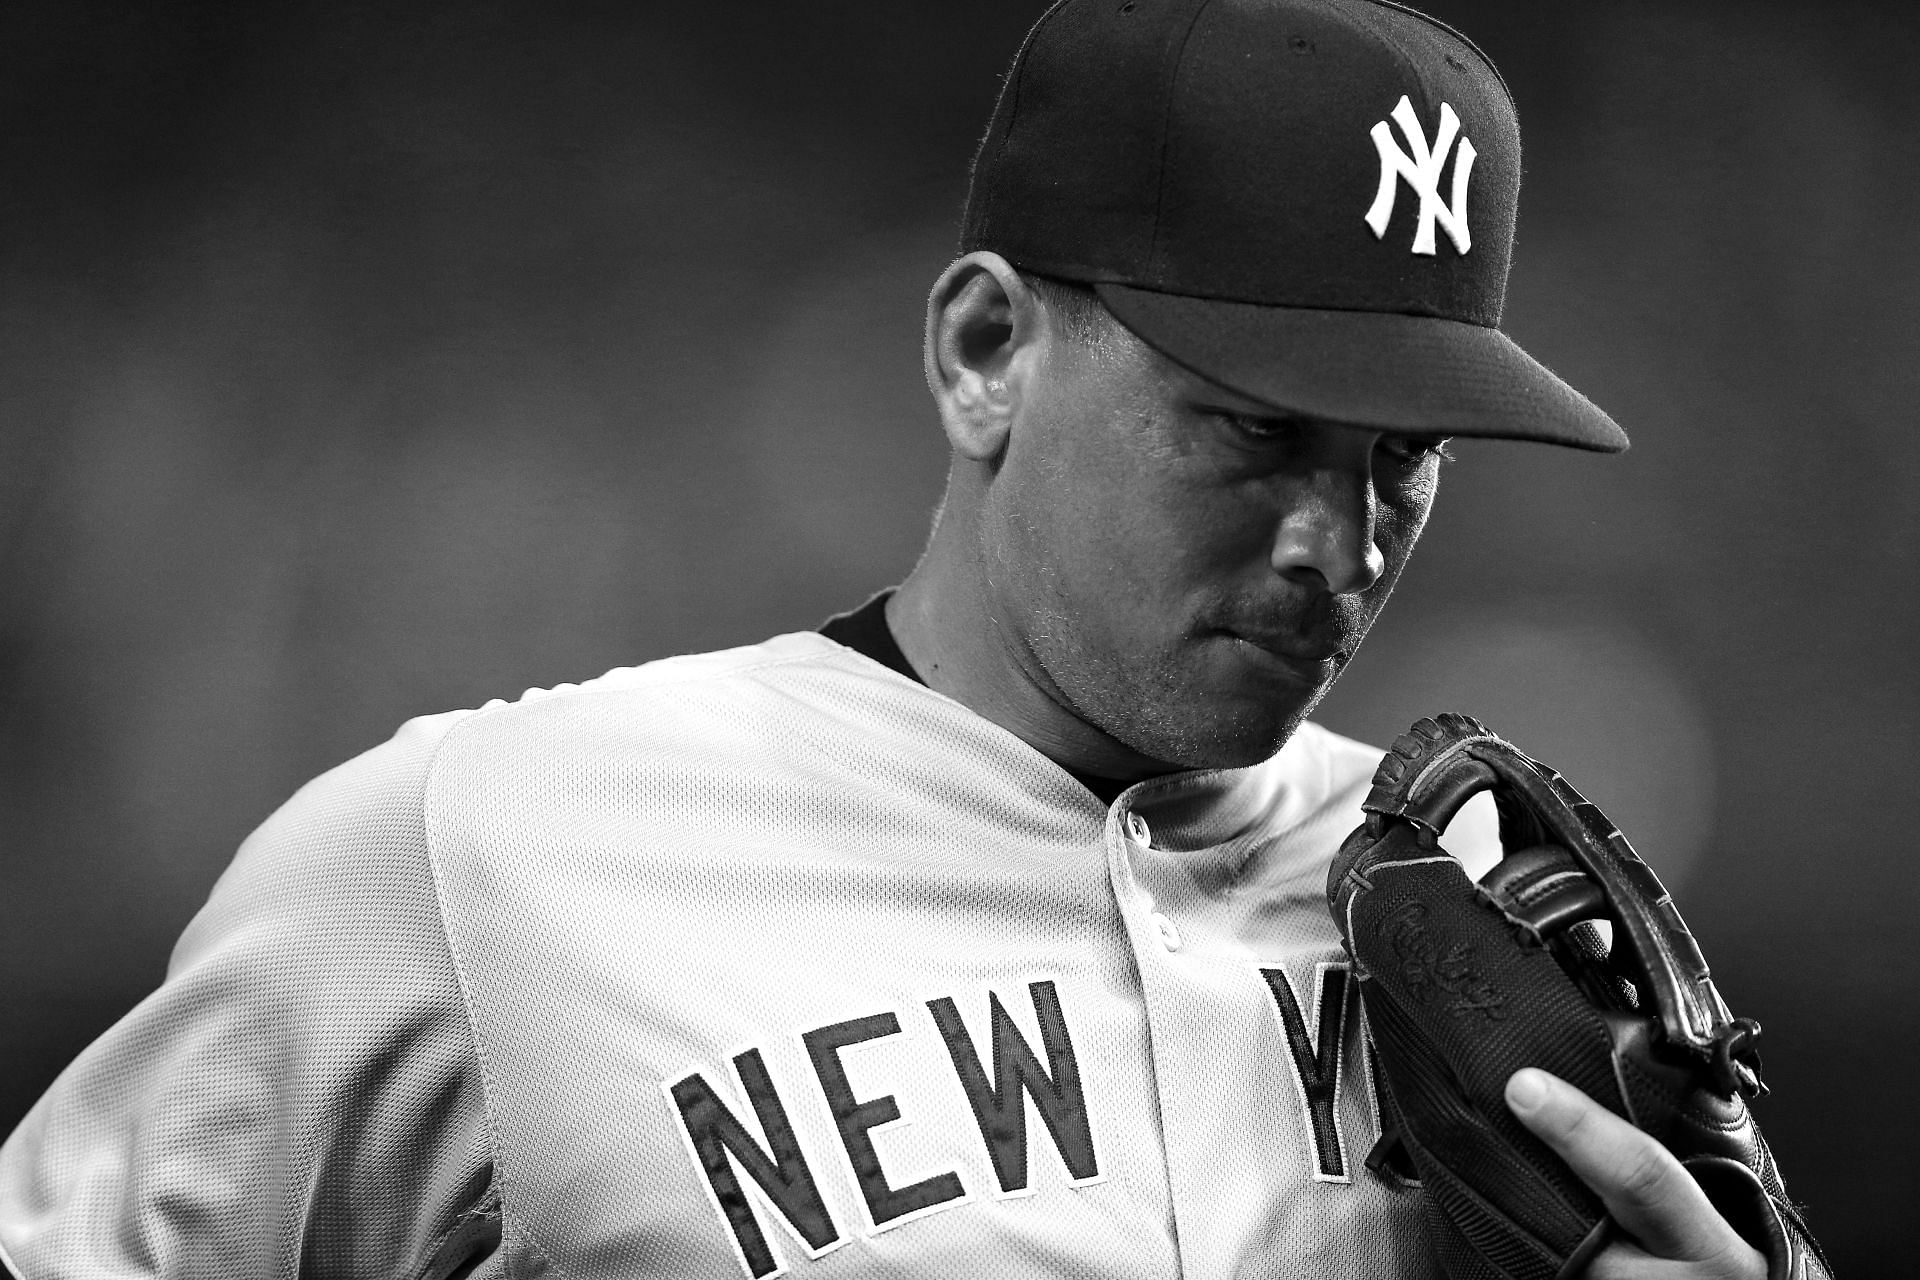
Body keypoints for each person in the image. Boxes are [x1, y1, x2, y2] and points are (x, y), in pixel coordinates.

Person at [0, 2, 1783, 1278]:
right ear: (988, 351)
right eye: (1256, 428)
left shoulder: (1485, 920)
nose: (1337, 543)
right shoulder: (483, 851)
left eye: (1401, 457)